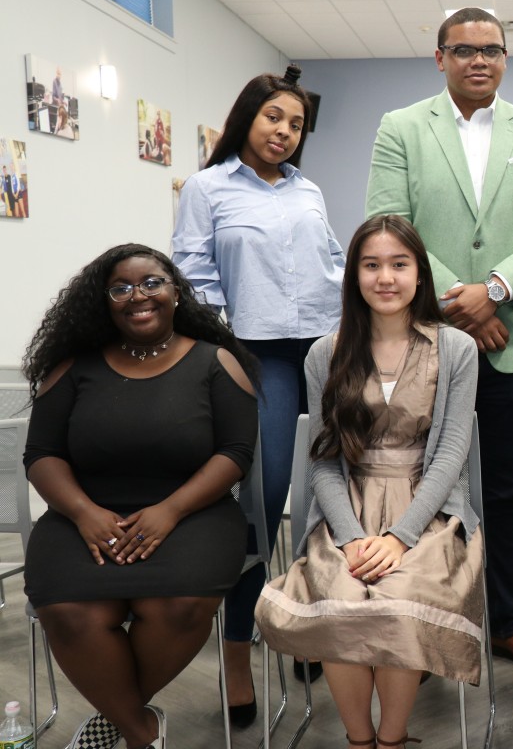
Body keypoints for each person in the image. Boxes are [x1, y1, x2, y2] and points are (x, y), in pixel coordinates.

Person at [365, 7, 513, 676]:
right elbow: (387, 225)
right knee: (426, 485)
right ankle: (433, 619)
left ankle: (510, 624)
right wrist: (461, 300)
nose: (479, 59)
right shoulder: (401, 128)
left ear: (506, 58)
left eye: (492, 49)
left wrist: (496, 288)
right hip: (425, 341)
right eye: (464, 49)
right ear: (440, 58)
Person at [255, 215, 483, 749]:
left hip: (428, 508)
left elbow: (450, 451)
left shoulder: (455, 349)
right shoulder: (324, 353)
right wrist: (353, 536)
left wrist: (401, 535)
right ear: (353, 275)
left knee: (400, 598)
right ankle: (360, 740)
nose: (386, 277)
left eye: (400, 265)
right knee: (341, 596)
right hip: (346, 509)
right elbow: (324, 460)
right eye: (372, 265)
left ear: (420, 275)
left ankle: (392, 739)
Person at [21, 244, 259, 749]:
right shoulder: (72, 367)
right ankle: (140, 731)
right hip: (81, 514)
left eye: (151, 282)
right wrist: (84, 513)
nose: (138, 296)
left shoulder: (215, 361)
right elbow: (41, 454)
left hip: (194, 512)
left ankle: (119, 725)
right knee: (70, 612)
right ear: (103, 302)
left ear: (176, 290)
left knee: (178, 604)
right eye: (121, 288)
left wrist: (170, 510)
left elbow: (236, 453)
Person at [172, 63, 345, 723]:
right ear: (246, 116)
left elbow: (332, 270)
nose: (285, 131)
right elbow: (191, 277)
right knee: (263, 503)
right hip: (255, 358)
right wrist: (224, 355)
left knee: (325, 501)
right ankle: (238, 647)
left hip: (323, 357)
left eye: (296, 124)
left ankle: (306, 626)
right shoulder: (208, 188)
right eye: (275, 117)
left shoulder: (309, 192)